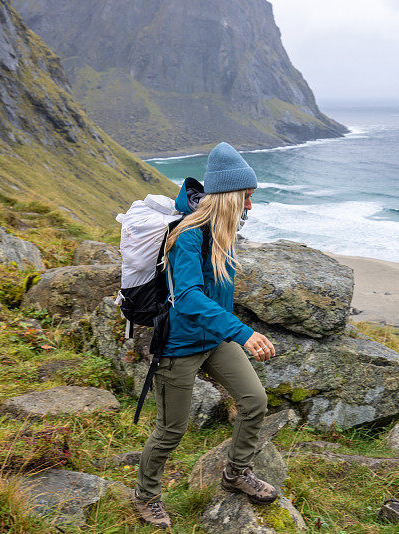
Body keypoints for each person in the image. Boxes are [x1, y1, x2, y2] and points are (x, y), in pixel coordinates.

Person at [131, 142, 277, 529]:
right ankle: (145, 495)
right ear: (230, 196)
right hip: (179, 344)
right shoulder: (189, 235)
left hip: (214, 338)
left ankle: (235, 473)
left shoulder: (224, 230)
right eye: (246, 198)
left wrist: (230, 331)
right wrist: (243, 333)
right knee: (171, 429)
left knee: (254, 401)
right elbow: (188, 297)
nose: (250, 207)